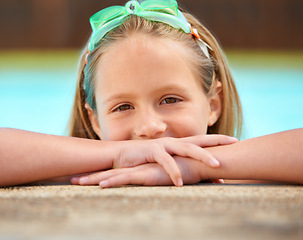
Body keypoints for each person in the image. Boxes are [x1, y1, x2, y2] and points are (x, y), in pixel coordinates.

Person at [0, 0, 302, 188]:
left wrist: (195, 165)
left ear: (213, 104)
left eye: (170, 100)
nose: (149, 128)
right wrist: (119, 154)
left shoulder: (248, 170)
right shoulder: (70, 170)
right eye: (122, 107)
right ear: (94, 120)